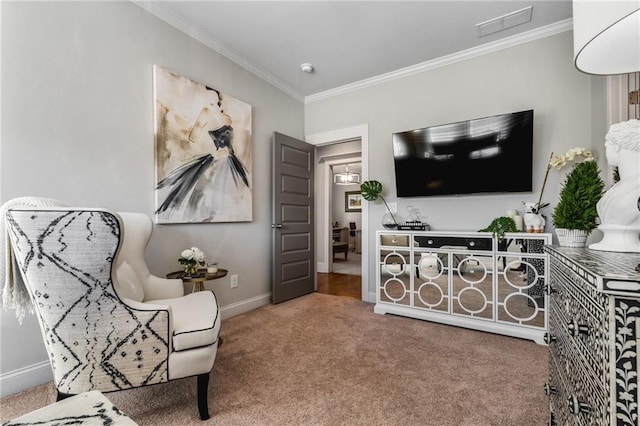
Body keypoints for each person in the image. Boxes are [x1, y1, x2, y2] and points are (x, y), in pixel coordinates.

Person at [155, 88, 251, 222]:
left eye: (210, 98)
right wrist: (212, 150)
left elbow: (196, 137)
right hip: (222, 158)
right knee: (212, 197)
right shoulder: (213, 114)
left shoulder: (218, 116)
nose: (209, 102)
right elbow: (195, 137)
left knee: (226, 198)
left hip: (226, 160)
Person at [590, 119, 640, 252]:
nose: (606, 150)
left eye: (607, 145)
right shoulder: (620, 187)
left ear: (618, 145)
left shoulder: (636, 189)